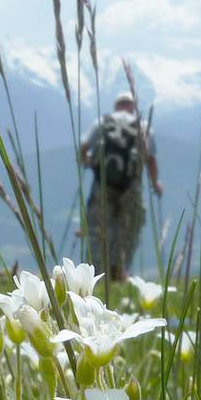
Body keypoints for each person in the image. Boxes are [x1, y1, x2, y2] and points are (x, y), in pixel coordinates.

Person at [79, 91, 146, 282]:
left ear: (116, 106)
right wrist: (155, 183)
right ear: (132, 107)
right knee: (127, 229)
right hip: (131, 188)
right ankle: (120, 271)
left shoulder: (103, 122)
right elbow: (149, 157)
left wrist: (88, 162)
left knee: (98, 228)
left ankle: (95, 274)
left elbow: (83, 145)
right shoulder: (141, 125)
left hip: (102, 186)